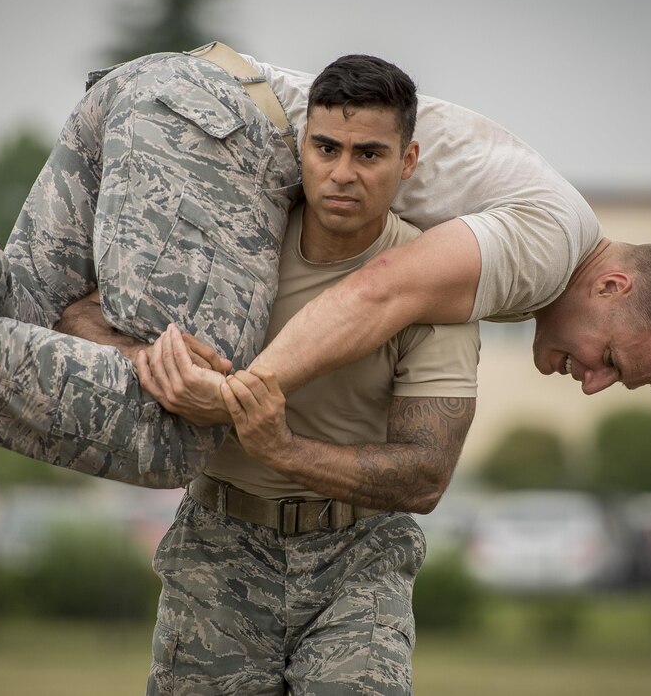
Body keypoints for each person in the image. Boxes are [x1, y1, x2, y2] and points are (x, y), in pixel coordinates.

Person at [0, 42, 651, 488]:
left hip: (151, 96)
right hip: (221, 140)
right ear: (613, 286)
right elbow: (381, 290)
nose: (592, 383)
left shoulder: (543, 211)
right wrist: (242, 398)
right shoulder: (548, 245)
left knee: (38, 313)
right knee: (169, 428)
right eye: (613, 358)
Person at [61, 53, 470, 694]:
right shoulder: (239, 235)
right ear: (300, 144)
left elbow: (425, 475)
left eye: (369, 155)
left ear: (407, 162)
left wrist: (282, 448)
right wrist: (151, 359)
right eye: (326, 147)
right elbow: (79, 314)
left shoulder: (433, 278)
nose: (342, 174)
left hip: (358, 557)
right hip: (217, 544)